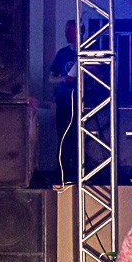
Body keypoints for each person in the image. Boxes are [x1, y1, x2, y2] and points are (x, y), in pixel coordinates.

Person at [48, 19, 78, 184]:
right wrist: (64, 79)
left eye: (70, 31)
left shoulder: (84, 52)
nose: (66, 34)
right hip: (64, 102)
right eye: (66, 31)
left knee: (77, 137)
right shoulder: (62, 53)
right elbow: (50, 78)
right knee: (63, 136)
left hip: (81, 102)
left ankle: (77, 171)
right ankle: (62, 172)